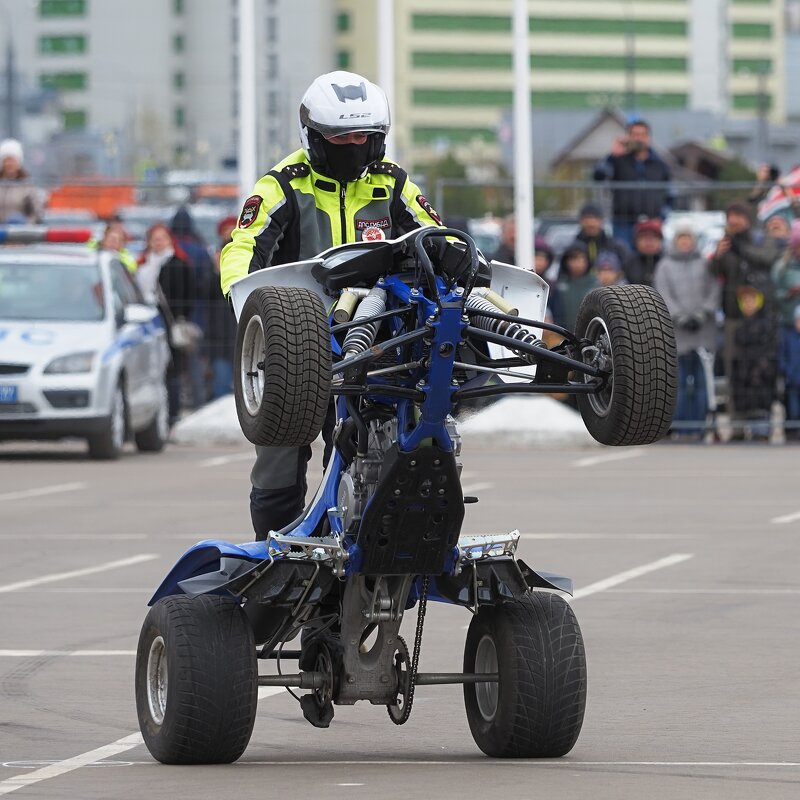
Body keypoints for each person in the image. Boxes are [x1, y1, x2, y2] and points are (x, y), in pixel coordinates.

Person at [220, 70, 444, 541]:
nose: (352, 145)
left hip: (379, 344)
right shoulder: (281, 185)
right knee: (279, 458)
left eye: (363, 136)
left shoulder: (394, 184)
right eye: (340, 136)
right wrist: (248, 309)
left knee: (373, 451)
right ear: (314, 135)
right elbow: (242, 247)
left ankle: (359, 546)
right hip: (297, 344)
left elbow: (434, 237)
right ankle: (276, 557)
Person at [710, 201, 781, 420]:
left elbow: (767, 259)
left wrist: (741, 250)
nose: (733, 220)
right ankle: (737, 424)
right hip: (734, 317)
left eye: (738, 215)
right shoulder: (726, 243)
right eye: (730, 216)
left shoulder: (762, 238)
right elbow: (715, 272)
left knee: (760, 371)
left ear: (748, 218)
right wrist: (719, 256)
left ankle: (762, 424)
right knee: (735, 372)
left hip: (762, 318)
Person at [654, 226, 721, 438]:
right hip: (677, 333)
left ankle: (700, 426)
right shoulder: (665, 266)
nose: (685, 243)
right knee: (679, 383)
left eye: (688, 238)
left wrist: (702, 314)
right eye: (681, 238)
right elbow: (662, 292)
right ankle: (680, 425)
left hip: (702, 331)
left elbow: (714, 290)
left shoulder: (705, 264)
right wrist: (679, 315)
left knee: (701, 383)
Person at [137, 223, 197, 427]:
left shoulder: (178, 264)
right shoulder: (143, 265)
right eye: (154, 238)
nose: (158, 242)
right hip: (147, 323)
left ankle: (173, 413)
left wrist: (180, 317)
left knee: (172, 369)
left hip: (169, 324)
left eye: (162, 238)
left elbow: (189, 294)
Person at [592, 118, 672, 248]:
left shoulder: (660, 165)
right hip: (623, 222)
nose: (638, 139)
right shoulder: (617, 161)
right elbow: (598, 176)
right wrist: (612, 155)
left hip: (651, 224)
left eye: (642, 135)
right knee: (623, 255)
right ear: (628, 137)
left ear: (649, 138)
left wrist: (661, 218)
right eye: (634, 135)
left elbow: (670, 195)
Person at [170, 206, 214, 409]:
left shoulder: (172, 249)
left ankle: (175, 405)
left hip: (171, 314)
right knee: (195, 362)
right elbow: (206, 285)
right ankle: (198, 404)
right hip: (197, 312)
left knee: (173, 365)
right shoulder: (200, 250)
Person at [730, 277, 777, 441]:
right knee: (749, 402)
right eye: (745, 300)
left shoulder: (766, 325)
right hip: (746, 371)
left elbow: (770, 349)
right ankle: (752, 431)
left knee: (762, 403)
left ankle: (762, 432)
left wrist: (761, 368)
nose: (748, 304)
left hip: (762, 372)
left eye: (752, 300)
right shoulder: (741, 327)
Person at [205, 215, 239, 399]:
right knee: (222, 384)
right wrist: (217, 271)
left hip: (238, 328)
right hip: (219, 334)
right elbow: (206, 294)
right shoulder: (212, 270)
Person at [554, 241, 597, 333]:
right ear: (566, 261)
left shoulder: (596, 284)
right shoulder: (558, 285)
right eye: (573, 259)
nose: (577, 263)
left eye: (581, 258)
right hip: (563, 335)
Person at [572, 202, 629, 268]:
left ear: (601, 221)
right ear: (581, 222)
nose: (591, 223)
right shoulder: (572, 249)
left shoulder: (617, 247)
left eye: (594, 219)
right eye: (586, 219)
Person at [0, 138, 42, 224]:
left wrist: (26, 225)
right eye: (6, 160)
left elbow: (37, 212)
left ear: (19, 163)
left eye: (12, 160)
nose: (9, 164)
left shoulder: (27, 186)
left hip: (19, 234)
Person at [778, 305, 800, 440]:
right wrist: (787, 371)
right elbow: (781, 357)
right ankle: (792, 432)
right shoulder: (788, 337)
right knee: (792, 409)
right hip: (792, 381)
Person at [622, 218, 664, 287]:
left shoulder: (666, 263)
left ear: (660, 241)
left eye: (653, 238)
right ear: (636, 241)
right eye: (644, 238)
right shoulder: (628, 263)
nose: (648, 243)